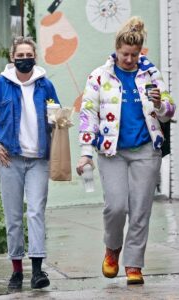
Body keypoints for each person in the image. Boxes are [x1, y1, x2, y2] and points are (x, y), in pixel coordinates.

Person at [76, 16, 175, 285]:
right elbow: (88, 115)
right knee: (116, 207)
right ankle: (112, 249)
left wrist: (160, 104)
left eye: (134, 54)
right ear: (116, 49)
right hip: (112, 152)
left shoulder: (151, 75)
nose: (129, 59)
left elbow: (168, 114)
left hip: (145, 149)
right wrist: (86, 151)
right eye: (124, 54)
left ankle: (133, 264)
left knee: (141, 210)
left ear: (140, 51)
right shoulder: (99, 76)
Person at [0, 36, 61, 290]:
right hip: (9, 158)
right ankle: (16, 271)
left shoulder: (45, 85)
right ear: (12, 58)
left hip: (38, 160)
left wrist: (59, 121)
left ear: (35, 56)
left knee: (35, 212)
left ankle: (36, 271)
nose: (25, 59)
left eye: (28, 55)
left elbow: (55, 115)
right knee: (13, 217)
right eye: (20, 56)